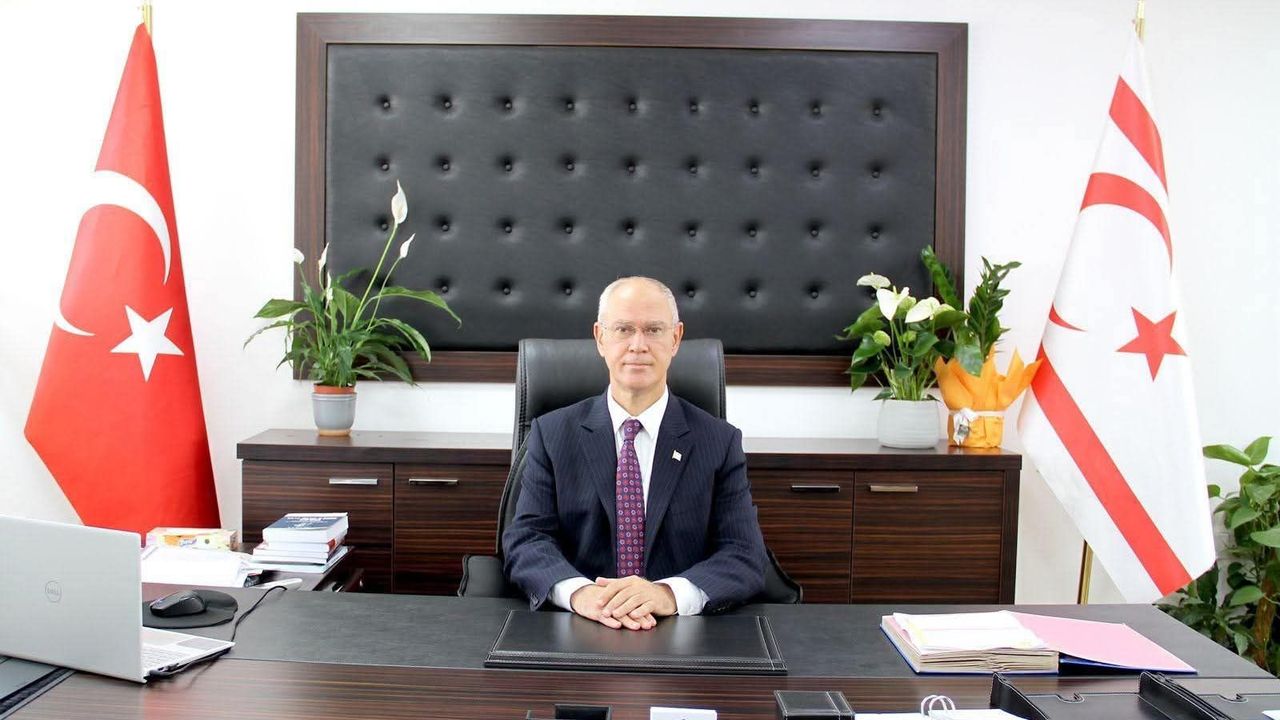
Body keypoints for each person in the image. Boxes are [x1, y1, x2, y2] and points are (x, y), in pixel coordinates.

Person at [502, 276, 766, 631]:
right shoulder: (552, 434)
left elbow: (744, 554)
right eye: (623, 329)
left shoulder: (719, 441)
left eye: (654, 330)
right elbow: (527, 540)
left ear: (675, 338)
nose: (638, 345)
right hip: (579, 627)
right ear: (600, 338)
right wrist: (580, 594)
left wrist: (666, 594)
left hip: (680, 631)